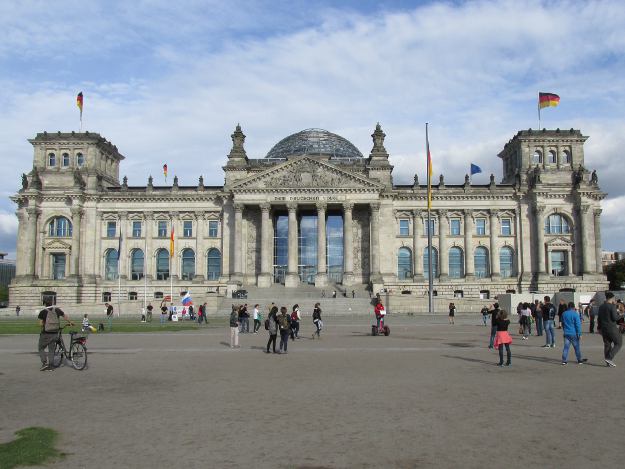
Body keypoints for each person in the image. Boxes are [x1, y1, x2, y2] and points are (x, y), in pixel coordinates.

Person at [38, 301, 73, 371]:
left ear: (45, 304)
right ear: (52, 304)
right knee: (51, 350)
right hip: (55, 333)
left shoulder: (43, 312)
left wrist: (44, 324)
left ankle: (44, 363)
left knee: (41, 347)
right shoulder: (57, 310)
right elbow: (64, 316)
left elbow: (40, 324)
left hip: (46, 333)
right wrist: (70, 322)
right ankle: (51, 365)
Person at [598, 292, 623, 367]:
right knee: (619, 342)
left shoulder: (601, 306)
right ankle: (609, 358)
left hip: (603, 328)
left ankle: (608, 362)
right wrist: (621, 315)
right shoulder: (612, 307)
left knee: (607, 345)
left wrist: (599, 328)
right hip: (611, 328)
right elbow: (615, 318)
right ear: (612, 298)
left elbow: (599, 318)